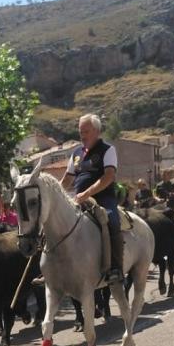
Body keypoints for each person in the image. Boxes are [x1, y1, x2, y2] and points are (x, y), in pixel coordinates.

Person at [63, 113, 124, 285]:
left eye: (86, 132)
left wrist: (87, 194)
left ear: (97, 131)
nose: (82, 136)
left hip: (103, 199)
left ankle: (115, 268)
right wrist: (55, 194)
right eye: (80, 132)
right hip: (78, 200)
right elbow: (67, 179)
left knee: (112, 221)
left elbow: (108, 177)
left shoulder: (107, 150)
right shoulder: (76, 153)